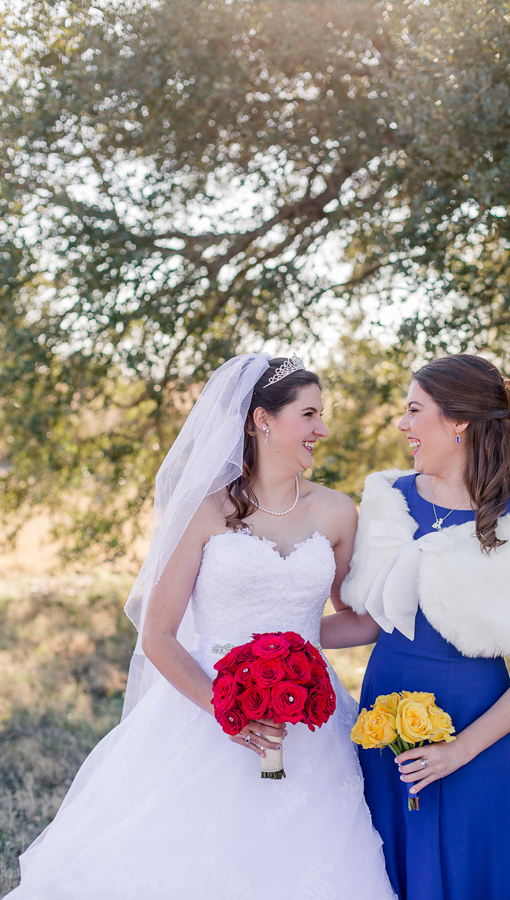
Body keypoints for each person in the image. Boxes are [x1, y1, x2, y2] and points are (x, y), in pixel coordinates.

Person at [6, 354, 396, 899]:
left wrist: (309, 640)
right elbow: (158, 634)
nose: (322, 430)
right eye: (308, 415)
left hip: (307, 715)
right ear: (263, 420)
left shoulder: (337, 512)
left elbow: (356, 623)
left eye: (321, 415)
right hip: (207, 707)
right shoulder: (205, 510)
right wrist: (226, 710)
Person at [330, 354, 510, 899]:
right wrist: (290, 633)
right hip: (383, 711)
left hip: (476, 724)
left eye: (415, 410)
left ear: (459, 421)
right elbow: (369, 622)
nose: (403, 425)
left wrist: (459, 750)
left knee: (471, 864)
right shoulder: (387, 499)